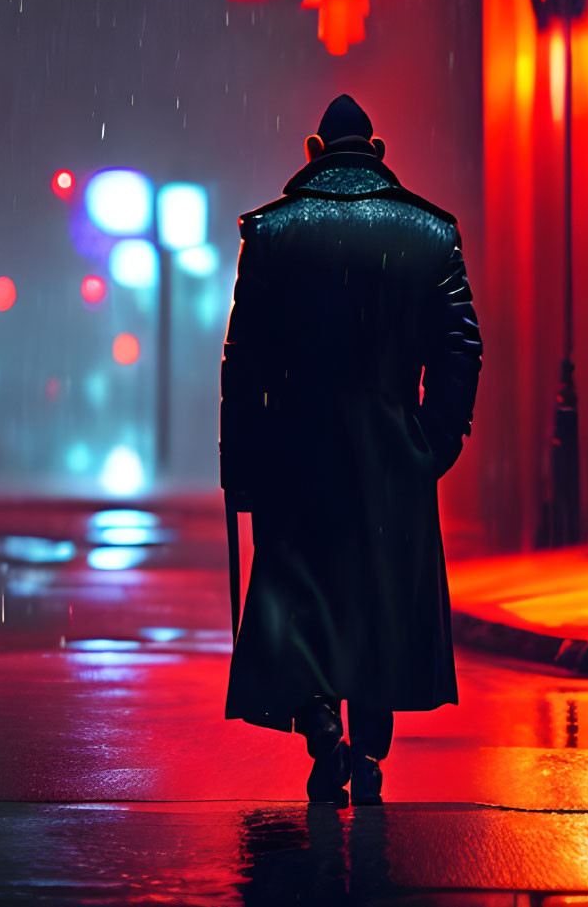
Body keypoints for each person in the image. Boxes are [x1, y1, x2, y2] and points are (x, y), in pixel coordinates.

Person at [220, 94, 482, 806]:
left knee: (301, 603)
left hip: (294, 454)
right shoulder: (429, 233)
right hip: (389, 452)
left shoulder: (271, 233)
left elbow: (242, 363)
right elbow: (460, 346)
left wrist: (239, 464)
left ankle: (320, 729)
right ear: (378, 148)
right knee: (379, 604)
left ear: (312, 149)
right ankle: (366, 750)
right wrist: (432, 439)